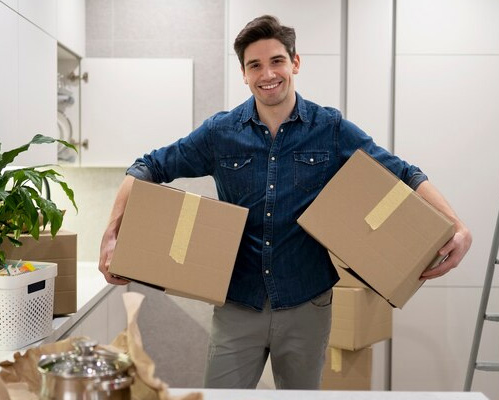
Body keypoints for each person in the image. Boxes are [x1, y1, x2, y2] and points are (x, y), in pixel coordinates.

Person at [98, 15, 472, 390]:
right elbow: (147, 166)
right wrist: (112, 235)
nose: (267, 74)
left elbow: (404, 174)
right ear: (243, 74)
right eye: (254, 65)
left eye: (276, 60)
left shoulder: (330, 129)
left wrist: (456, 227)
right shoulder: (220, 133)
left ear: (295, 62)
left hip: (306, 304)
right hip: (237, 304)